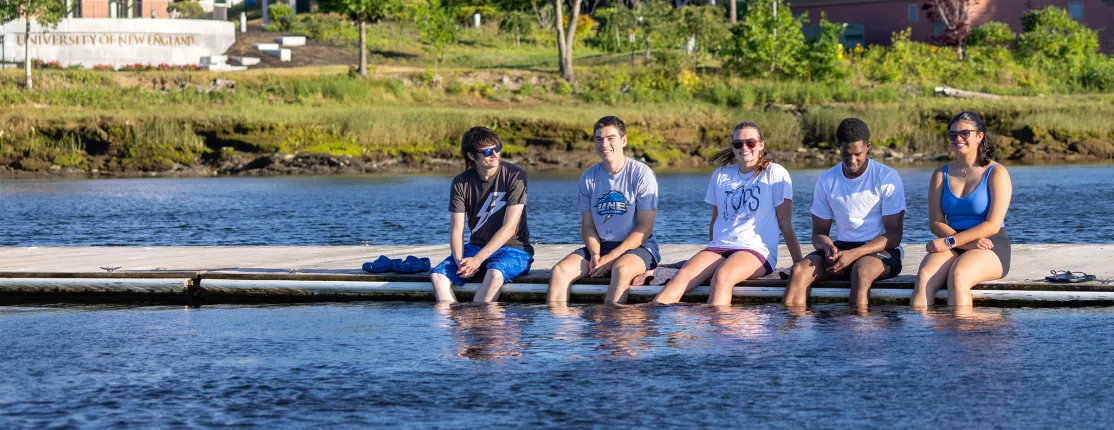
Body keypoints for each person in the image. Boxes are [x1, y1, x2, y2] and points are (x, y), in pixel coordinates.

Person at [654, 121, 803, 306]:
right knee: (683, 274)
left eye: (751, 142)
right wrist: (709, 250)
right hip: (719, 247)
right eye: (738, 144)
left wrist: (799, 265)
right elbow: (715, 219)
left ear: (761, 145)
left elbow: (785, 223)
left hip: (755, 249)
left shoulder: (774, 173)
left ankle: (719, 331)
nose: (744, 147)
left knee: (722, 276)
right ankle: (654, 321)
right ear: (733, 147)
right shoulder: (720, 174)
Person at [782, 118, 906, 307]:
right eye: (846, 154)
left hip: (882, 251)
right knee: (798, 271)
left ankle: (857, 333)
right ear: (838, 147)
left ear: (868, 147)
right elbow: (818, 234)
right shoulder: (826, 180)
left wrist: (854, 254)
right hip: (842, 250)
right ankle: (792, 332)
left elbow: (894, 236)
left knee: (861, 271)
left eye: (858, 154)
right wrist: (828, 248)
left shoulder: (887, 177)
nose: (852, 160)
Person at [547, 116, 660, 305]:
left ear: (623, 141)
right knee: (559, 271)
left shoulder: (641, 174)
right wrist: (595, 255)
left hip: (638, 247)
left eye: (610, 138)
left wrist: (612, 257)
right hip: (600, 247)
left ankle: (609, 327)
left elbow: (645, 228)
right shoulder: (588, 177)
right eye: (599, 139)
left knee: (621, 270)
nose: (604, 144)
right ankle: (560, 331)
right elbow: (587, 226)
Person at [911, 112, 1012, 308]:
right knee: (924, 277)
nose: (958, 139)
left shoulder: (997, 173)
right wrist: (962, 243)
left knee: (958, 275)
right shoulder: (940, 174)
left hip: (990, 245)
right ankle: (920, 335)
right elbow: (936, 222)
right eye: (953, 135)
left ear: (979, 136)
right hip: (954, 242)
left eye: (965, 133)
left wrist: (952, 242)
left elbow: (992, 225)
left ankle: (962, 335)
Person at [429, 126, 534, 303]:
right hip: (476, 246)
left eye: (497, 148)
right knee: (438, 278)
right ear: (471, 156)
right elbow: (456, 230)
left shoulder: (515, 175)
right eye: (487, 151)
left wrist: (478, 260)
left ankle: (480, 325)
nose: (494, 155)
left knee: (494, 275)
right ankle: (456, 328)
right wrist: (461, 261)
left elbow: (510, 228)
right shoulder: (461, 182)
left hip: (514, 249)